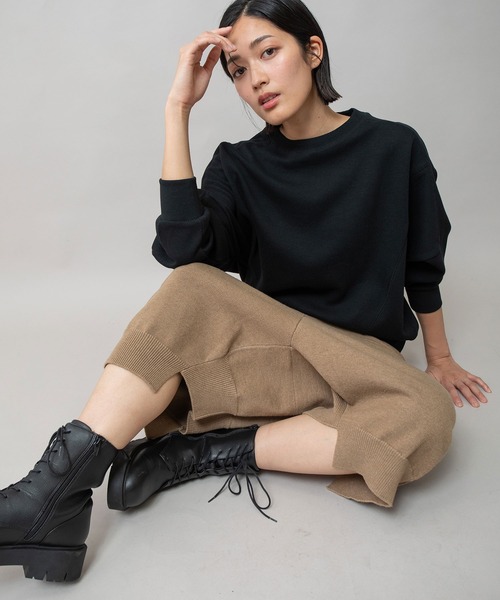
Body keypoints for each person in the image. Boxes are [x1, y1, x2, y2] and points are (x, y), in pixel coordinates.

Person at [0, 0, 491, 584]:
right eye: (238, 69)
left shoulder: (393, 147)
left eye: (269, 53)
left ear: (313, 51)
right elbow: (183, 249)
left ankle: (195, 452)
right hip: (266, 359)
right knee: (191, 282)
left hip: (357, 362)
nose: (255, 79)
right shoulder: (238, 165)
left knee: (428, 414)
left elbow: (422, 263)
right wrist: (177, 109)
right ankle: (51, 494)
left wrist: (439, 356)